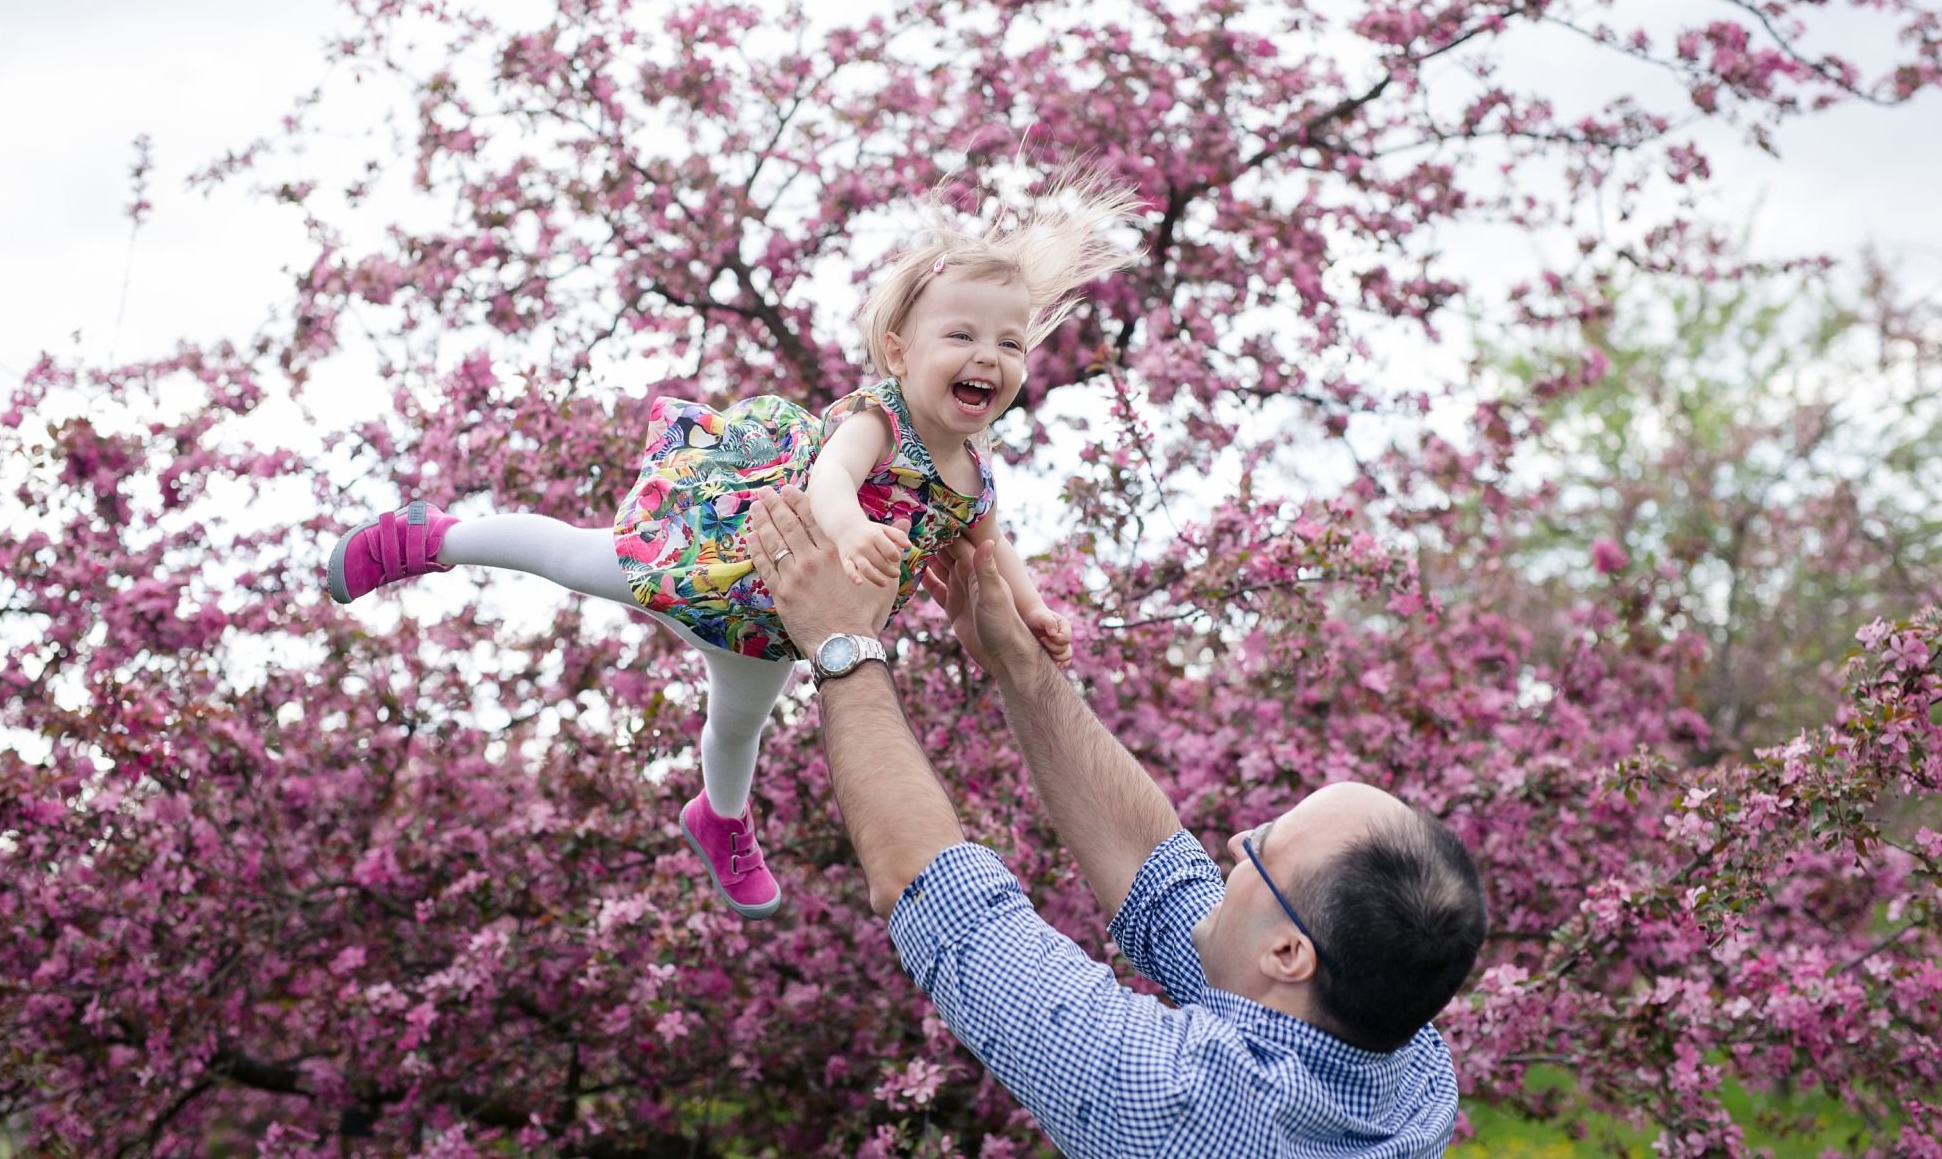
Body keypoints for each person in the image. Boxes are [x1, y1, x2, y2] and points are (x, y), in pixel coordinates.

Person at [322, 173, 1143, 919]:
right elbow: (829, 480)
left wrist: (1031, 606)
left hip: (776, 621)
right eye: (962, 335)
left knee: (737, 724)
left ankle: (719, 817)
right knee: (573, 557)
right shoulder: (878, 418)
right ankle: (429, 538)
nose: (988, 359)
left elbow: (991, 549)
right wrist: (854, 528)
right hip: (714, 556)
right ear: (900, 350)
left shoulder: (976, 475)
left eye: (1009, 344)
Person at [743, 485, 1489, 1158]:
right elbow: (1161, 883)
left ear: (1291, 953)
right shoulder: (1407, 1066)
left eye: (1260, 853)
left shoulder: (1177, 1104)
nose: (1232, 843)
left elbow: (939, 894)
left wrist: (842, 642)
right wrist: (1020, 661)